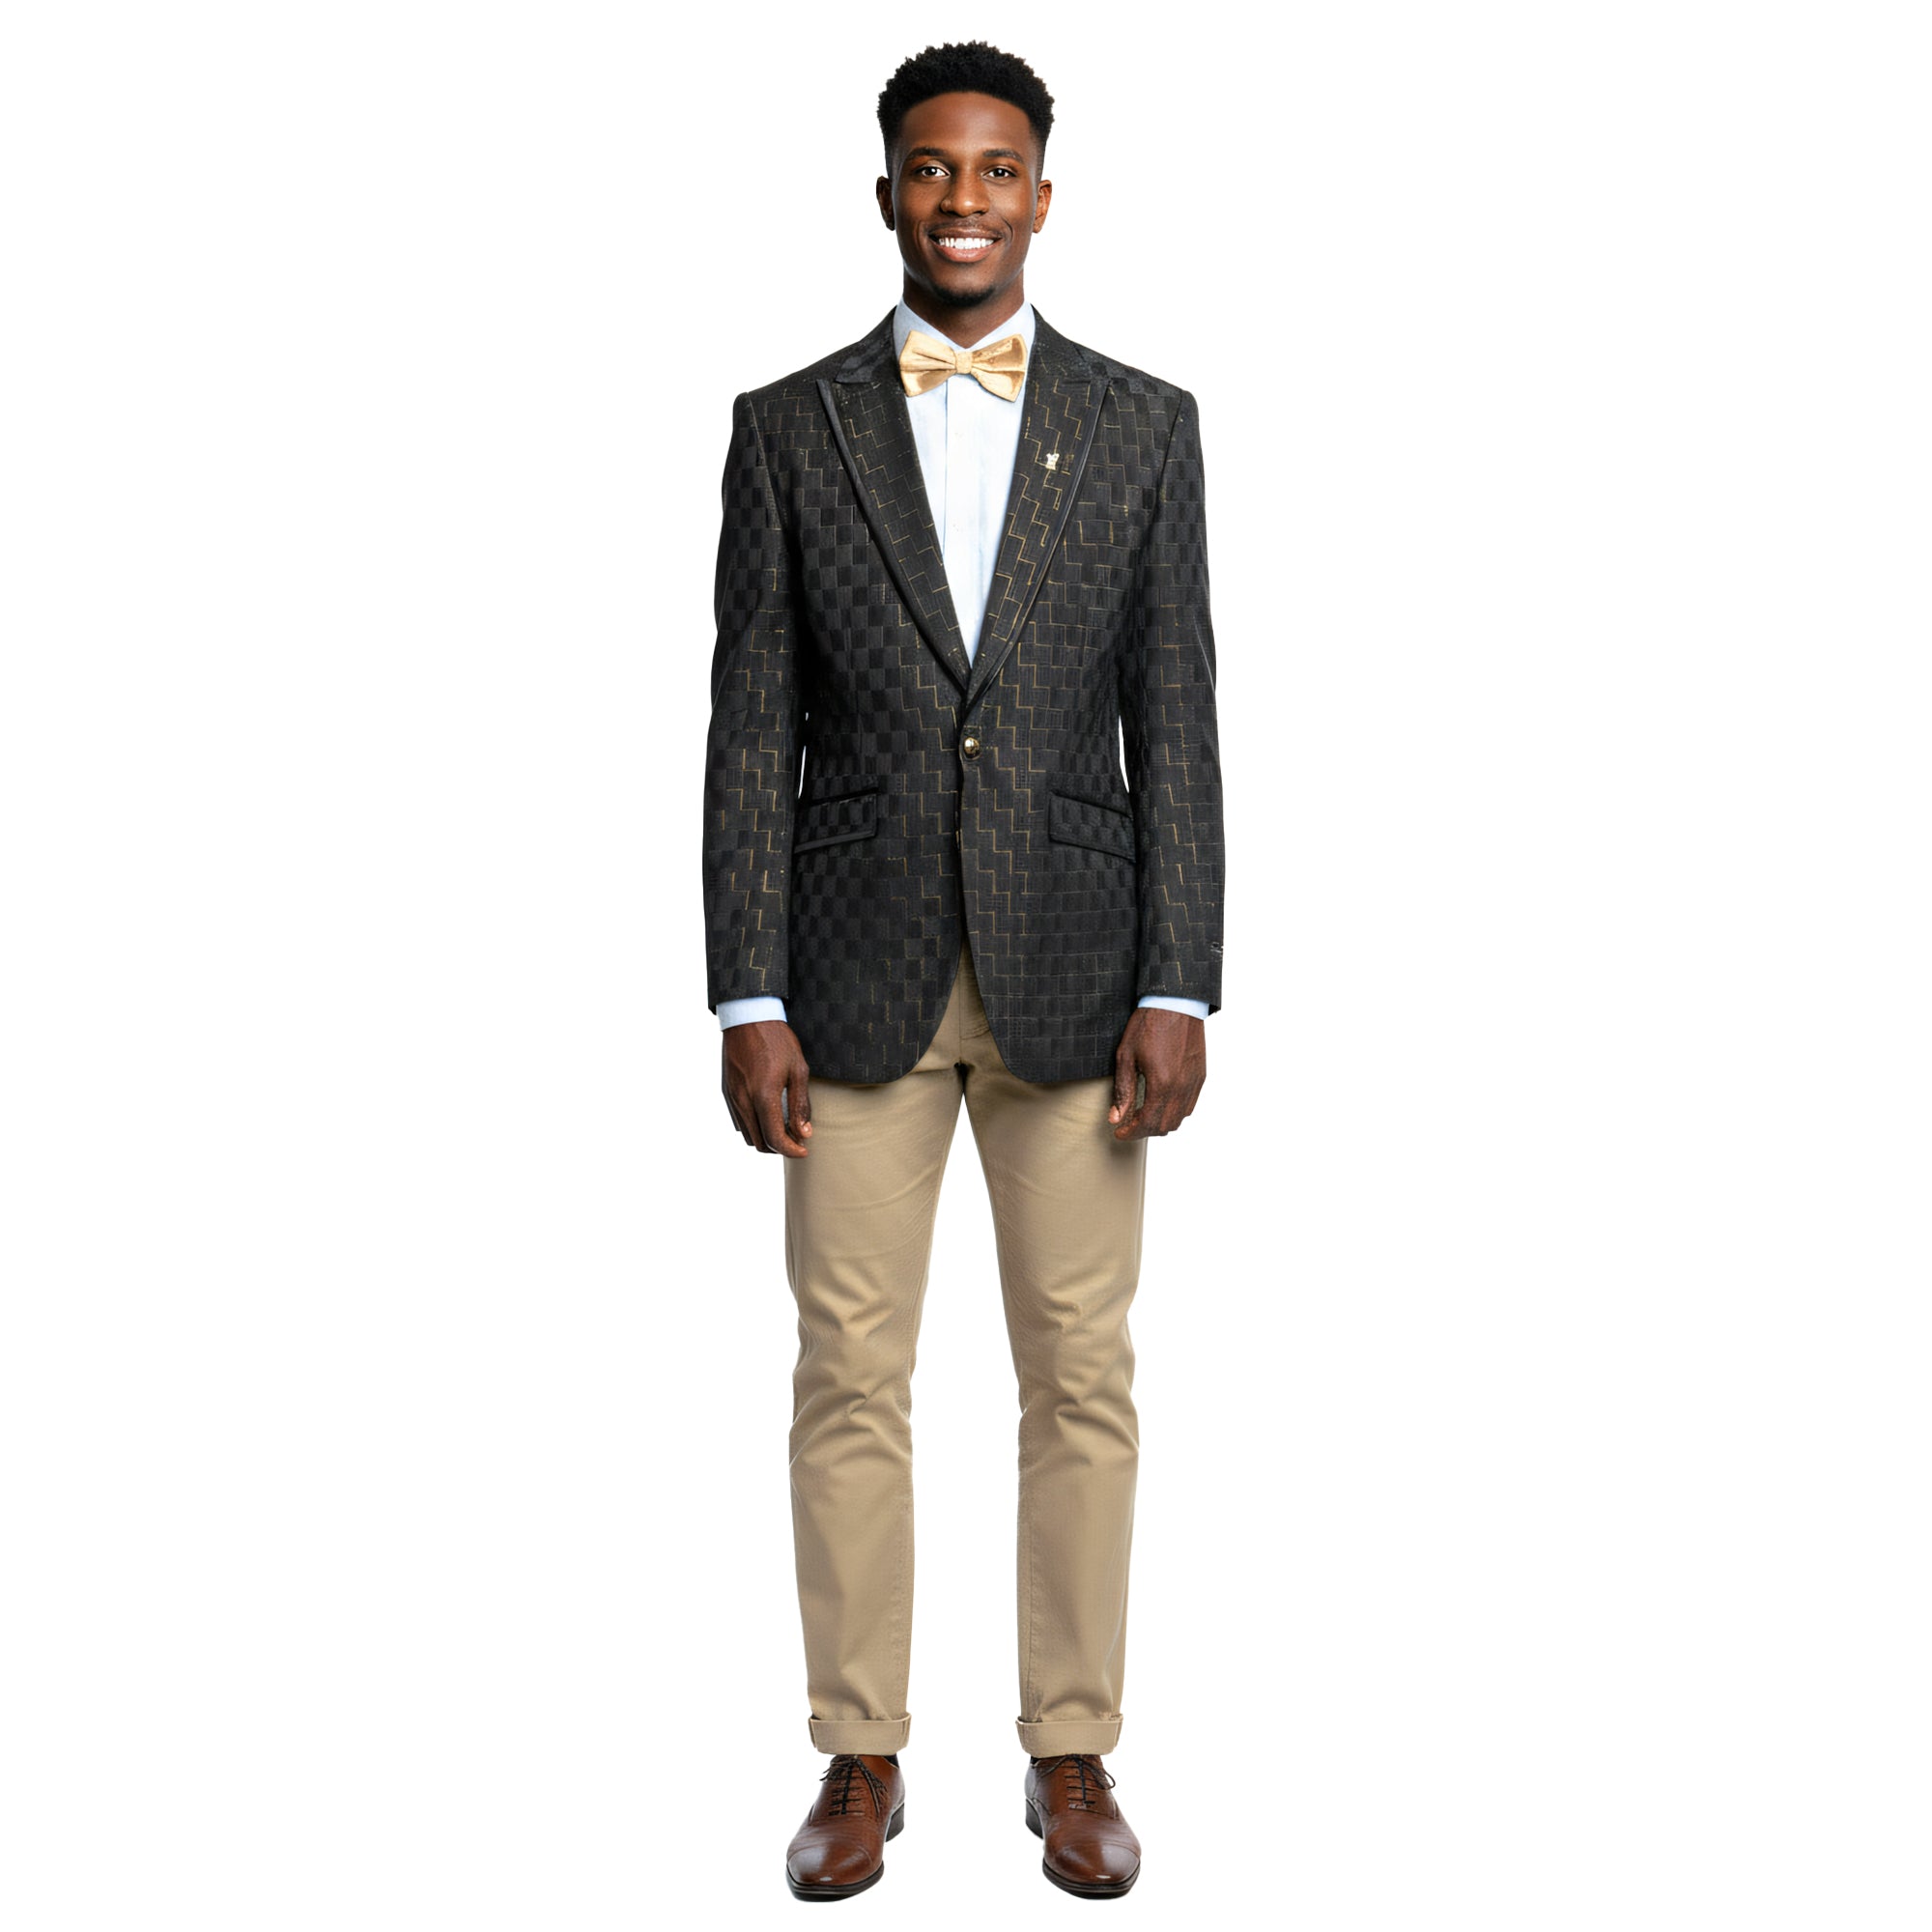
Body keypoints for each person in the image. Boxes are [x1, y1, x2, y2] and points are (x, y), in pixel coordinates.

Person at [701, 41, 1224, 1902]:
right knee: (848, 1372)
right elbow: (749, 726)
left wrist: (1184, 977)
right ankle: (860, 1756)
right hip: (847, 978)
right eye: (933, 168)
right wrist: (747, 992)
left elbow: (1179, 715)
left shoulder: (1144, 425)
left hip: (1082, 974)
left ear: (1044, 196)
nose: (965, 200)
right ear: (887, 193)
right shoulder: (789, 428)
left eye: (998, 169)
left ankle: (1071, 1749)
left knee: (1082, 1372)